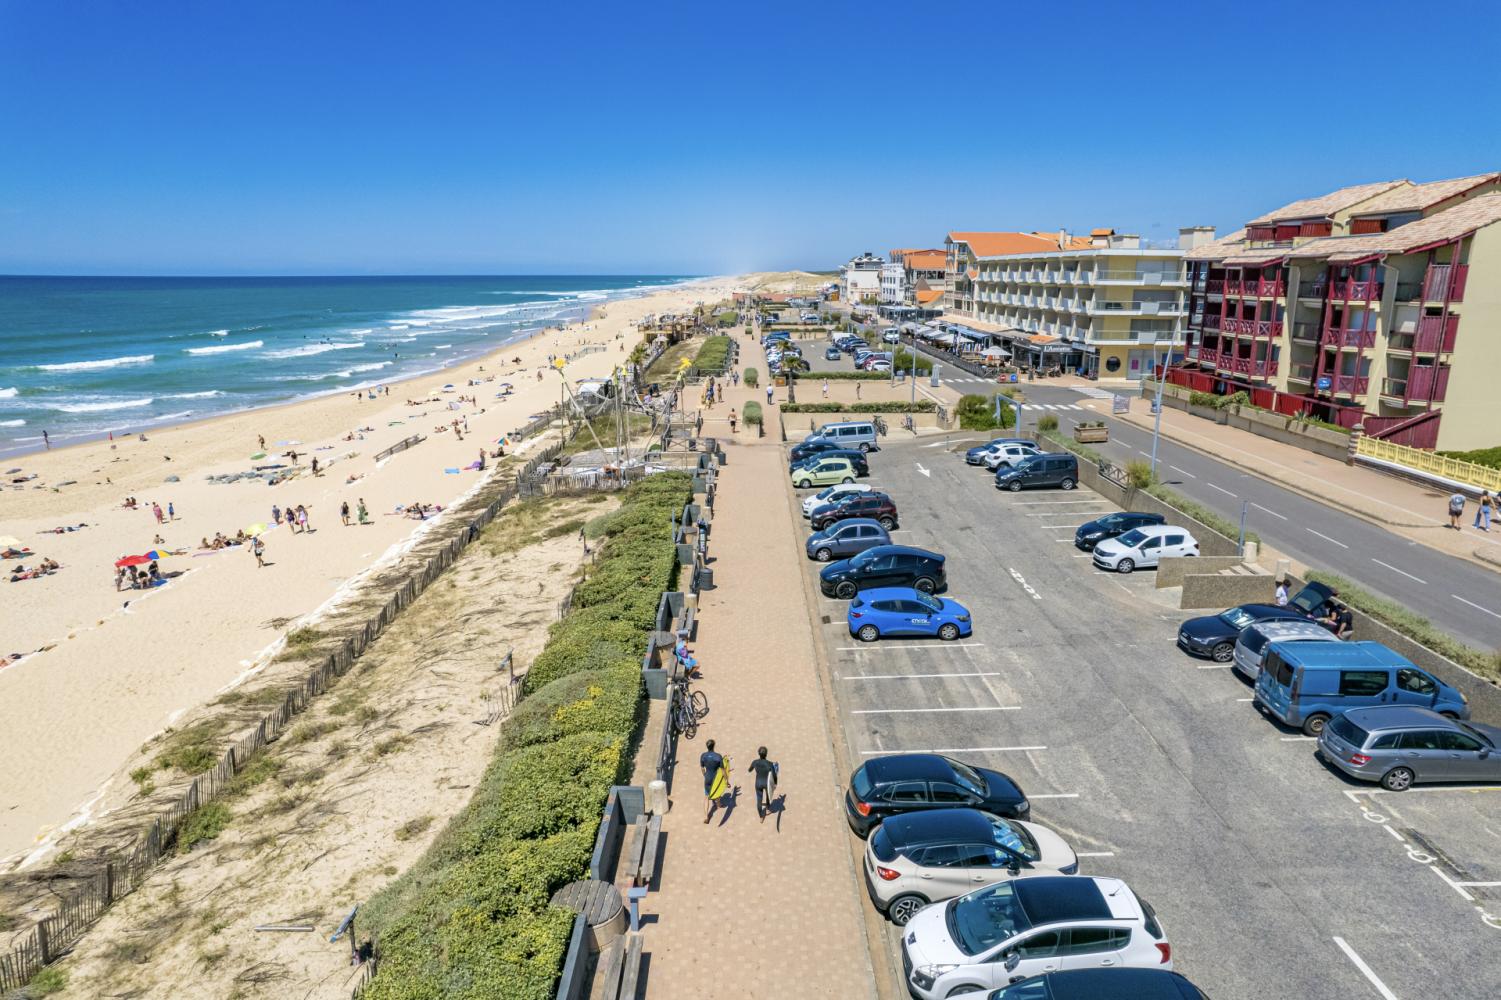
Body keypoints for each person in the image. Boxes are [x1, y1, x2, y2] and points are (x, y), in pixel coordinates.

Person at [747, 747, 778, 822]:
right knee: (768, 795)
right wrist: (775, 783)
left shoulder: (755, 762)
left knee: (759, 800)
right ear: (766, 754)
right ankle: (767, 809)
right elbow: (774, 775)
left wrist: (753, 767)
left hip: (758, 783)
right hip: (766, 783)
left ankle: (761, 817)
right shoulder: (770, 764)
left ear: (758, 754)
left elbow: (749, 770)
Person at [700, 739, 725, 824]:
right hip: (715, 779)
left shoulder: (703, 756)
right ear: (714, 746)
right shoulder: (718, 756)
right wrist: (726, 780)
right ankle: (718, 805)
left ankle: (706, 816)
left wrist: (705, 775)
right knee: (717, 791)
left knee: (706, 796)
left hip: (707, 778)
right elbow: (723, 770)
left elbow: (702, 768)